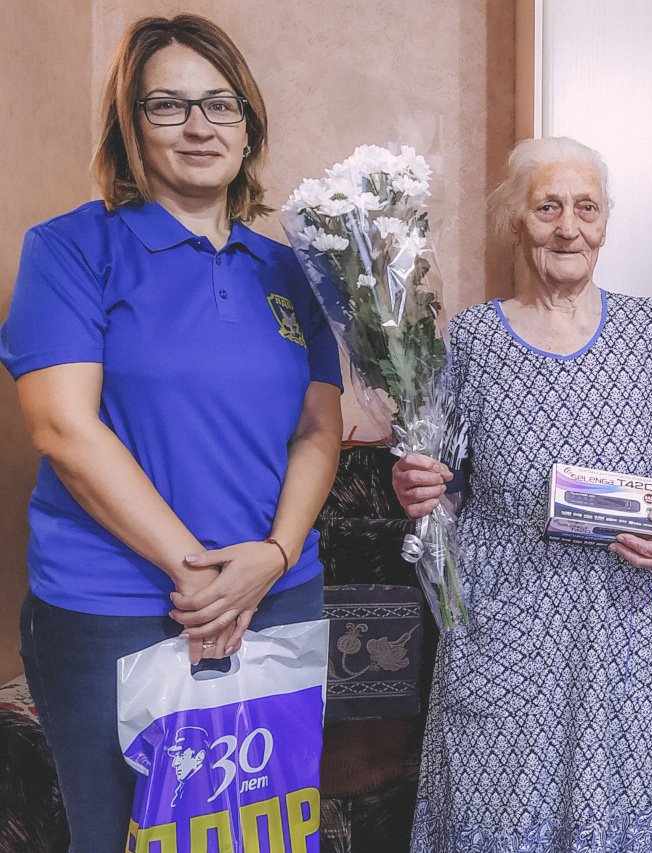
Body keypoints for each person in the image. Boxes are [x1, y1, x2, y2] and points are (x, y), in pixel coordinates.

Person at [0, 15, 342, 851]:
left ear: (248, 125)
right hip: (115, 607)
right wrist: (202, 576)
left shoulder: (290, 269)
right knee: (119, 836)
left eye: (221, 105)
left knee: (261, 834)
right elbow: (63, 426)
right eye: (168, 105)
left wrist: (274, 558)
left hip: (276, 597)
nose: (199, 126)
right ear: (131, 124)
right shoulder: (72, 249)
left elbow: (318, 428)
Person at [391, 136, 652, 851]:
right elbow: (443, 490)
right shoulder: (473, 337)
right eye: (548, 208)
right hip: (507, 621)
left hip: (627, 619)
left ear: (606, 222)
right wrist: (418, 486)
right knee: (502, 816)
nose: (569, 228)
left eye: (586, 208)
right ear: (516, 218)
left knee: (630, 815)